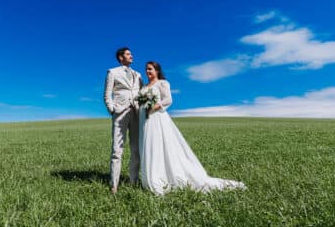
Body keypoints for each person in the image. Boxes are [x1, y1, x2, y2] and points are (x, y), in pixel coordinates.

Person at [139, 61, 246, 195]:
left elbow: (168, 100)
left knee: (159, 146)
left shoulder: (162, 83)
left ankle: (162, 177)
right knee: (148, 146)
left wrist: (152, 108)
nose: (148, 72)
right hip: (145, 121)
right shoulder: (144, 86)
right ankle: (150, 176)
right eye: (146, 69)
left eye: (150, 69)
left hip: (157, 118)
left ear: (157, 71)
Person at [103, 47, 144, 194]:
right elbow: (107, 94)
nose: (131, 56)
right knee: (116, 150)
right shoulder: (112, 72)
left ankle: (134, 181)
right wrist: (112, 109)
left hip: (136, 113)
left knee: (135, 149)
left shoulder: (138, 75)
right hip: (120, 113)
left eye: (131, 53)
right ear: (121, 57)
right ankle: (114, 185)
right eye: (128, 54)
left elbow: (143, 93)